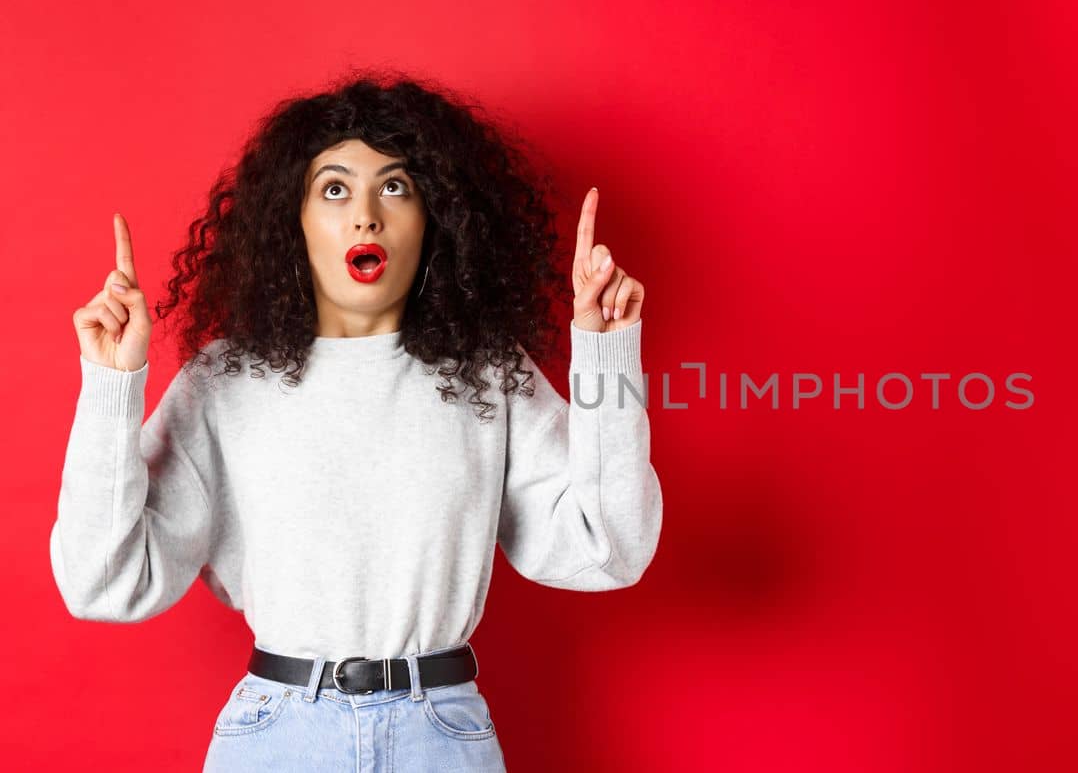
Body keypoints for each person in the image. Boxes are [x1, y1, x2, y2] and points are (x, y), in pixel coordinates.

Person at [50, 71, 662, 772]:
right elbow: (103, 583)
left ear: (435, 218)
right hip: (277, 736)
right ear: (295, 219)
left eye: (395, 187)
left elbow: (609, 549)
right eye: (334, 189)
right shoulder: (223, 383)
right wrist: (111, 386)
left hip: (442, 733)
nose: (365, 215)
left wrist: (607, 351)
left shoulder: (488, 373)